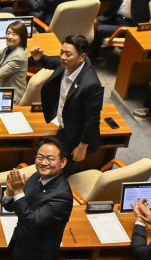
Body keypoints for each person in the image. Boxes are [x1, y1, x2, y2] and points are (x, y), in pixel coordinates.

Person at [0, 137, 73, 260]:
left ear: (62, 162)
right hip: (18, 251)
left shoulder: (62, 196)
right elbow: (17, 207)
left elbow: (32, 221)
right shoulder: (35, 177)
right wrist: (9, 192)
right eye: (40, 157)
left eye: (50, 159)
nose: (43, 163)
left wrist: (18, 191)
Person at [32, 35, 103, 165]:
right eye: (62, 52)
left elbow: (92, 120)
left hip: (75, 137)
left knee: (64, 168)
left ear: (82, 57)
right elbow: (53, 62)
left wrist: (82, 146)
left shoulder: (91, 85)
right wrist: (40, 58)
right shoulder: (67, 64)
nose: (63, 57)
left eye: (68, 54)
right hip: (63, 125)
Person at [0, 21, 30, 96]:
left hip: (10, 96)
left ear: (22, 38)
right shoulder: (12, 47)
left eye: (14, 34)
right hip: (2, 85)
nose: (9, 37)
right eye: (8, 33)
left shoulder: (18, 57)